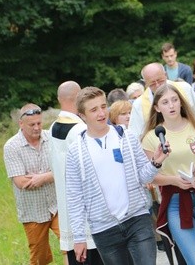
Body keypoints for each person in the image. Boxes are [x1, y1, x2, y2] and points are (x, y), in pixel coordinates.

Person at [65, 87, 170, 265]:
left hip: (137, 219)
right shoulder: (75, 151)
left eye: (103, 106)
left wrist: (156, 162)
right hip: (104, 229)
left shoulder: (126, 137)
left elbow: (144, 177)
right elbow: (74, 197)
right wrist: (79, 237)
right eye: (93, 109)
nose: (101, 113)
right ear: (82, 116)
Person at [141, 83, 195, 265]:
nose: (171, 105)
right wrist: (174, 180)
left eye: (175, 100)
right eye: (165, 102)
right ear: (157, 108)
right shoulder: (151, 137)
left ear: (181, 103)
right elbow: (149, 176)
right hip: (175, 203)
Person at [49, 81, 103, 265]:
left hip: (67, 210)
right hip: (88, 213)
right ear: (80, 98)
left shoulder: (52, 129)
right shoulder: (80, 130)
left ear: (59, 99)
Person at [3, 103, 59, 265]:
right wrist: (53, 174)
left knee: (70, 244)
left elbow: (64, 169)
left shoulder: (51, 138)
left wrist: (43, 178)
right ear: (21, 124)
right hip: (33, 211)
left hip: (57, 206)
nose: (36, 128)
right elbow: (20, 181)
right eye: (32, 125)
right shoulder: (12, 146)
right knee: (40, 257)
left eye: (39, 123)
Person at [128, 62, 195, 139]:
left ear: (165, 75)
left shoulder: (184, 89)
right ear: (145, 83)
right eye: (152, 83)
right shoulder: (139, 104)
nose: (158, 85)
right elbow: (136, 135)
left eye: (160, 80)